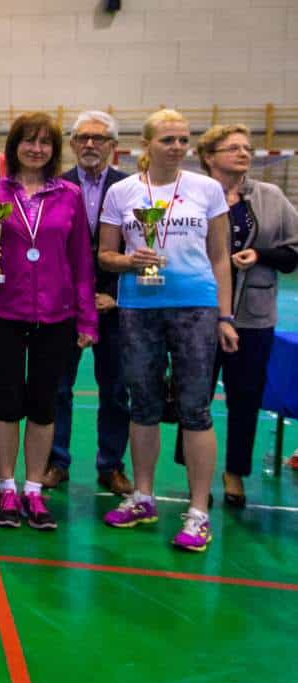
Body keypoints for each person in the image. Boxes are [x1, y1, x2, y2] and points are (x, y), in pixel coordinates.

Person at [97, 109, 238, 552]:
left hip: (195, 308)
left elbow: (220, 257)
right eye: (167, 140)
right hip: (138, 308)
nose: (177, 147)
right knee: (143, 405)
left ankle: (198, 511)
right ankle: (143, 497)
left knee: (196, 408)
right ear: (147, 144)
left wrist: (225, 316)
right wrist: (129, 261)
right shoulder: (121, 192)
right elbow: (105, 255)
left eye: (183, 139)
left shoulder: (207, 189)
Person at [0, 113, 96, 530]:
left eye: (45, 142)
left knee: (43, 402)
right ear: (15, 145)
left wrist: (87, 319)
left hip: (57, 315)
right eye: (28, 141)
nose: (36, 149)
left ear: (54, 150)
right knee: (6, 400)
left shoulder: (69, 195)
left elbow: (82, 260)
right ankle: (6, 486)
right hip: (2, 311)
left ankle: (34, 489)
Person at [191, 124, 298, 506]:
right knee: (194, 396)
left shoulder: (270, 197)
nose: (244, 153)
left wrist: (261, 255)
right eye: (233, 147)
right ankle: (195, 472)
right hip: (199, 312)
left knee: (246, 395)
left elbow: (294, 252)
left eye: (247, 148)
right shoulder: (192, 195)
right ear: (209, 156)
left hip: (254, 316)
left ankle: (234, 472)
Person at [49, 111, 132, 494]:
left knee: (116, 391)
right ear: (71, 144)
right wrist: (76, 297)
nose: (90, 144)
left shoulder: (131, 189)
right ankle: (56, 461)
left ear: (113, 146)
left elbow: (142, 246)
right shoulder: (54, 186)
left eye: (99, 138)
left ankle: (111, 465)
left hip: (114, 307)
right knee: (57, 388)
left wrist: (114, 295)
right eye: (82, 137)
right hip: (65, 307)